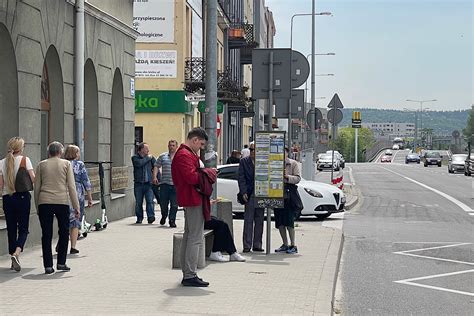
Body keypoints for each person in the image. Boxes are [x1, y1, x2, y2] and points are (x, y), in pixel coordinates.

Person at [172, 127, 212, 287]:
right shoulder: (184, 154)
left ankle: (188, 273)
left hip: (191, 197)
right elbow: (191, 177)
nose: (201, 148)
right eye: (201, 144)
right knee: (195, 238)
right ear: (194, 140)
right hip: (192, 198)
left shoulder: (185, 154)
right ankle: (189, 274)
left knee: (190, 236)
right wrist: (207, 172)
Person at [34, 141, 80, 274]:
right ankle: (61, 262)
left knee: (46, 234)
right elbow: (71, 187)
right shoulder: (66, 164)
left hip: (45, 202)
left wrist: (37, 205)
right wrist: (76, 206)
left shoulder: (41, 165)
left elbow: (37, 187)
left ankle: (48, 266)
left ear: (49, 152)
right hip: (62, 202)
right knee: (64, 232)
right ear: (60, 152)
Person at [0, 137, 35, 272]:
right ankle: (17, 253)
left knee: (11, 229)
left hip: (7, 198)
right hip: (22, 197)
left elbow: (1, 185)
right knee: (24, 229)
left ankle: (12, 259)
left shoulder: (2, 162)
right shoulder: (25, 160)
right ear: (20, 148)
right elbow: (33, 178)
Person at [63, 145, 92, 254]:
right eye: (78, 152)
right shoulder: (80, 165)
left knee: (64, 219)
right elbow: (86, 181)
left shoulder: (62, 163)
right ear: (75, 153)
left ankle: (61, 243)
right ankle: (73, 246)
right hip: (77, 192)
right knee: (75, 220)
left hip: (64, 192)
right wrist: (89, 197)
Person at [238, 142, 264, 253]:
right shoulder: (244, 161)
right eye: (252, 150)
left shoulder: (263, 162)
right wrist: (243, 191)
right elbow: (241, 177)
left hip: (261, 193)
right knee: (248, 220)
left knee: (259, 220)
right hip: (249, 193)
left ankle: (257, 244)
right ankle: (247, 245)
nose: (253, 152)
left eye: (255, 150)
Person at [274, 147, 301, 254]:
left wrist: (287, 177)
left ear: (286, 153)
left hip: (289, 196)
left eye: (283, 152)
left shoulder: (293, 164)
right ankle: (285, 244)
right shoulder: (274, 163)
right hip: (277, 194)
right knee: (280, 222)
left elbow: (298, 178)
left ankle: (293, 244)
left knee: (289, 221)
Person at [153, 140, 178, 228]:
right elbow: (156, 166)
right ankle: (164, 215)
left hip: (176, 185)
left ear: (176, 147)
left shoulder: (179, 157)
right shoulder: (163, 156)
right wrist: (154, 177)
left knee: (174, 204)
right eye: (170, 145)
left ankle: (172, 220)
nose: (171, 147)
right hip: (165, 184)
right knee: (163, 203)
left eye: (173, 145)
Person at [132, 142, 156, 224]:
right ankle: (139, 218)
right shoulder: (135, 158)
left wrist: (157, 178)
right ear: (141, 149)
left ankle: (150, 216)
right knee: (139, 202)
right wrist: (148, 158)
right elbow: (139, 164)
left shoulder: (151, 158)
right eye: (146, 149)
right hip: (138, 184)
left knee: (150, 201)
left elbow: (155, 167)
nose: (148, 150)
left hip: (148, 183)